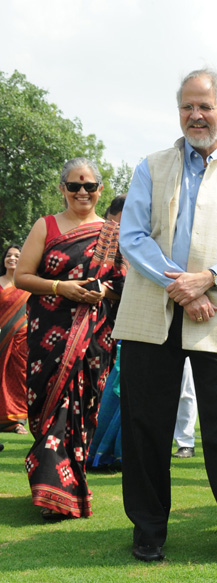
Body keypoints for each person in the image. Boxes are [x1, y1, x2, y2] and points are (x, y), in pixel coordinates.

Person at [115, 69, 217, 567]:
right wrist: (181, 287)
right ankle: (148, 533)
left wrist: (206, 279)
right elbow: (133, 237)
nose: (195, 115)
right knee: (145, 426)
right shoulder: (150, 166)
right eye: (187, 106)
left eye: (204, 106)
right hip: (152, 312)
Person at [15, 157, 126, 519]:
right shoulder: (45, 226)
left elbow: (123, 285)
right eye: (75, 186)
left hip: (93, 337)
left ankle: (66, 488)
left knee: (82, 409)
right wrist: (63, 286)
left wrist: (101, 292)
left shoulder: (112, 234)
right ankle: (52, 490)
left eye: (90, 186)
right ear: (62, 188)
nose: (82, 192)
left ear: (100, 190)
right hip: (50, 334)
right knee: (50, 407)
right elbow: (23, 277)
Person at [86, 193, 128, 471]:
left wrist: (106, 292)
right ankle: (86, 448)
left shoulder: (130, 242)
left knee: (111, 389)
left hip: (121, 326)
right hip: (90, 324)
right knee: (91, 387)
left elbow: (122, 286)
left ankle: (106, 451)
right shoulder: (100, 238)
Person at [0, 244, 29, 434]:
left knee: (19, 378)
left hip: (21, 339)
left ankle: (17, 420)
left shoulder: (27, 283)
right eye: (9, 255)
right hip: (1, 336)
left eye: (17, 256)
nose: (12, 259)